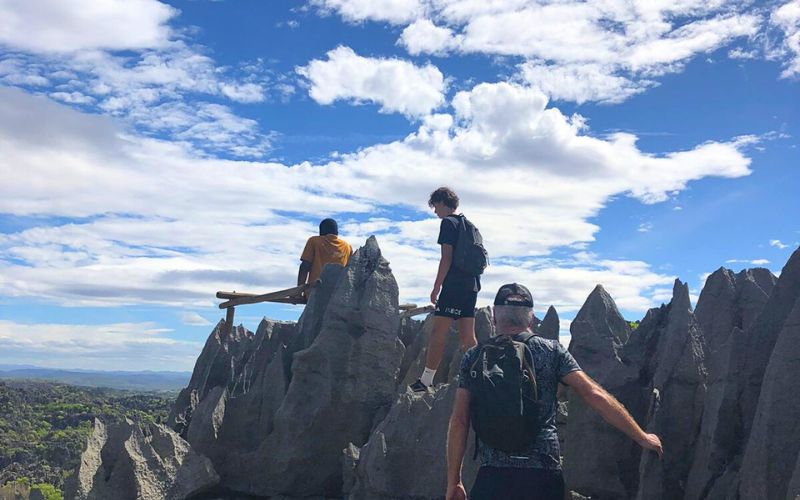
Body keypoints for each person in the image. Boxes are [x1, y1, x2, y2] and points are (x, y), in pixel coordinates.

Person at [446, 283, 663, 500]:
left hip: (492, 477)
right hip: (542, 476)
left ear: (494, 317)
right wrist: (642, 437)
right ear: (531, 319)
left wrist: (454, 481)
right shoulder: (551, 351)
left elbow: (459, 422)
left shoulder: (474, 357)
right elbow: (594, 394)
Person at [410, 187, 480, 393]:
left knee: (438, 332)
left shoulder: (448, 223)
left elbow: (446, 258)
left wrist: (436, 287)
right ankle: (480, 377)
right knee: (468, 336)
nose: (435, 212)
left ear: (442, 203)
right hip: (472, 286)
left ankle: (426, 381)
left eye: (435, 207)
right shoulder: (470, 225)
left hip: (454, 286)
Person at [297, 219, 352, 301]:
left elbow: (305, 266)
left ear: (321, 232)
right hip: (338, 295)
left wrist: (298, 292)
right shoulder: (347, 247)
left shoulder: (314, 241)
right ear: (337, 232)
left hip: (315, 293)